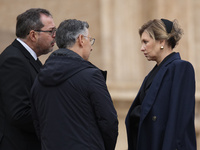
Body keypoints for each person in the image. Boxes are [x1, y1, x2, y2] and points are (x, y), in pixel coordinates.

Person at [30, 19, 118, 150]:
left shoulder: (39, 79)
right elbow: (109, 121)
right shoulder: (90, 76)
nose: (91, 46)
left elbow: (38, 124)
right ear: (81, 39)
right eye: (90, 40)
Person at [125, 18, 196, 150]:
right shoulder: (153, 74)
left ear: (161, 41)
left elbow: (179, 120)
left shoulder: (181, 68)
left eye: (146, 42)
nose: (142, 48)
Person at [0, 8, 56, 150]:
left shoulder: (28, 58)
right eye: (50, 31)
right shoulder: (14, 60)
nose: (55, 36)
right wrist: (57, 119)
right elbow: (19, 114)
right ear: (33, 35)